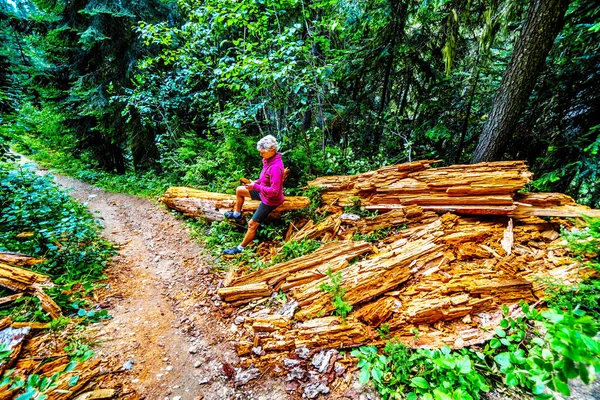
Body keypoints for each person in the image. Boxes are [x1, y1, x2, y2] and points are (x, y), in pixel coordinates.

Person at [223, 135, 285, 255]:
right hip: (263, 192)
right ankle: (237, 214)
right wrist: (257, 182)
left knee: (252, 224)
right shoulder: (267, 160)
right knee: (239, 190)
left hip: (271, 200)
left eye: (262, 153)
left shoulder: (276, 167)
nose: (260, 155)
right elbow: (265, 178)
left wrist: (256, 187)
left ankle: (240, 248)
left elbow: (275, 191)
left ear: (272, 150)